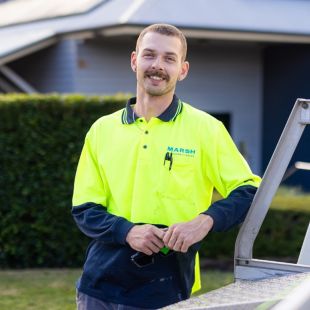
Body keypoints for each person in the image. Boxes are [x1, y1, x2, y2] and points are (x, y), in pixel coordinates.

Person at [72, 23, 261, 310]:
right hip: (98, 288)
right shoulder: (101, 130)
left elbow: (249, 190)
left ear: (182, 70)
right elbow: (85, 209)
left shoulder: (206, 130)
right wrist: (127, 231)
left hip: (167, 287)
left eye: (169, 58)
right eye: (149, 55)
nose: (157, 65)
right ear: (135, 60)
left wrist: (205, 221)